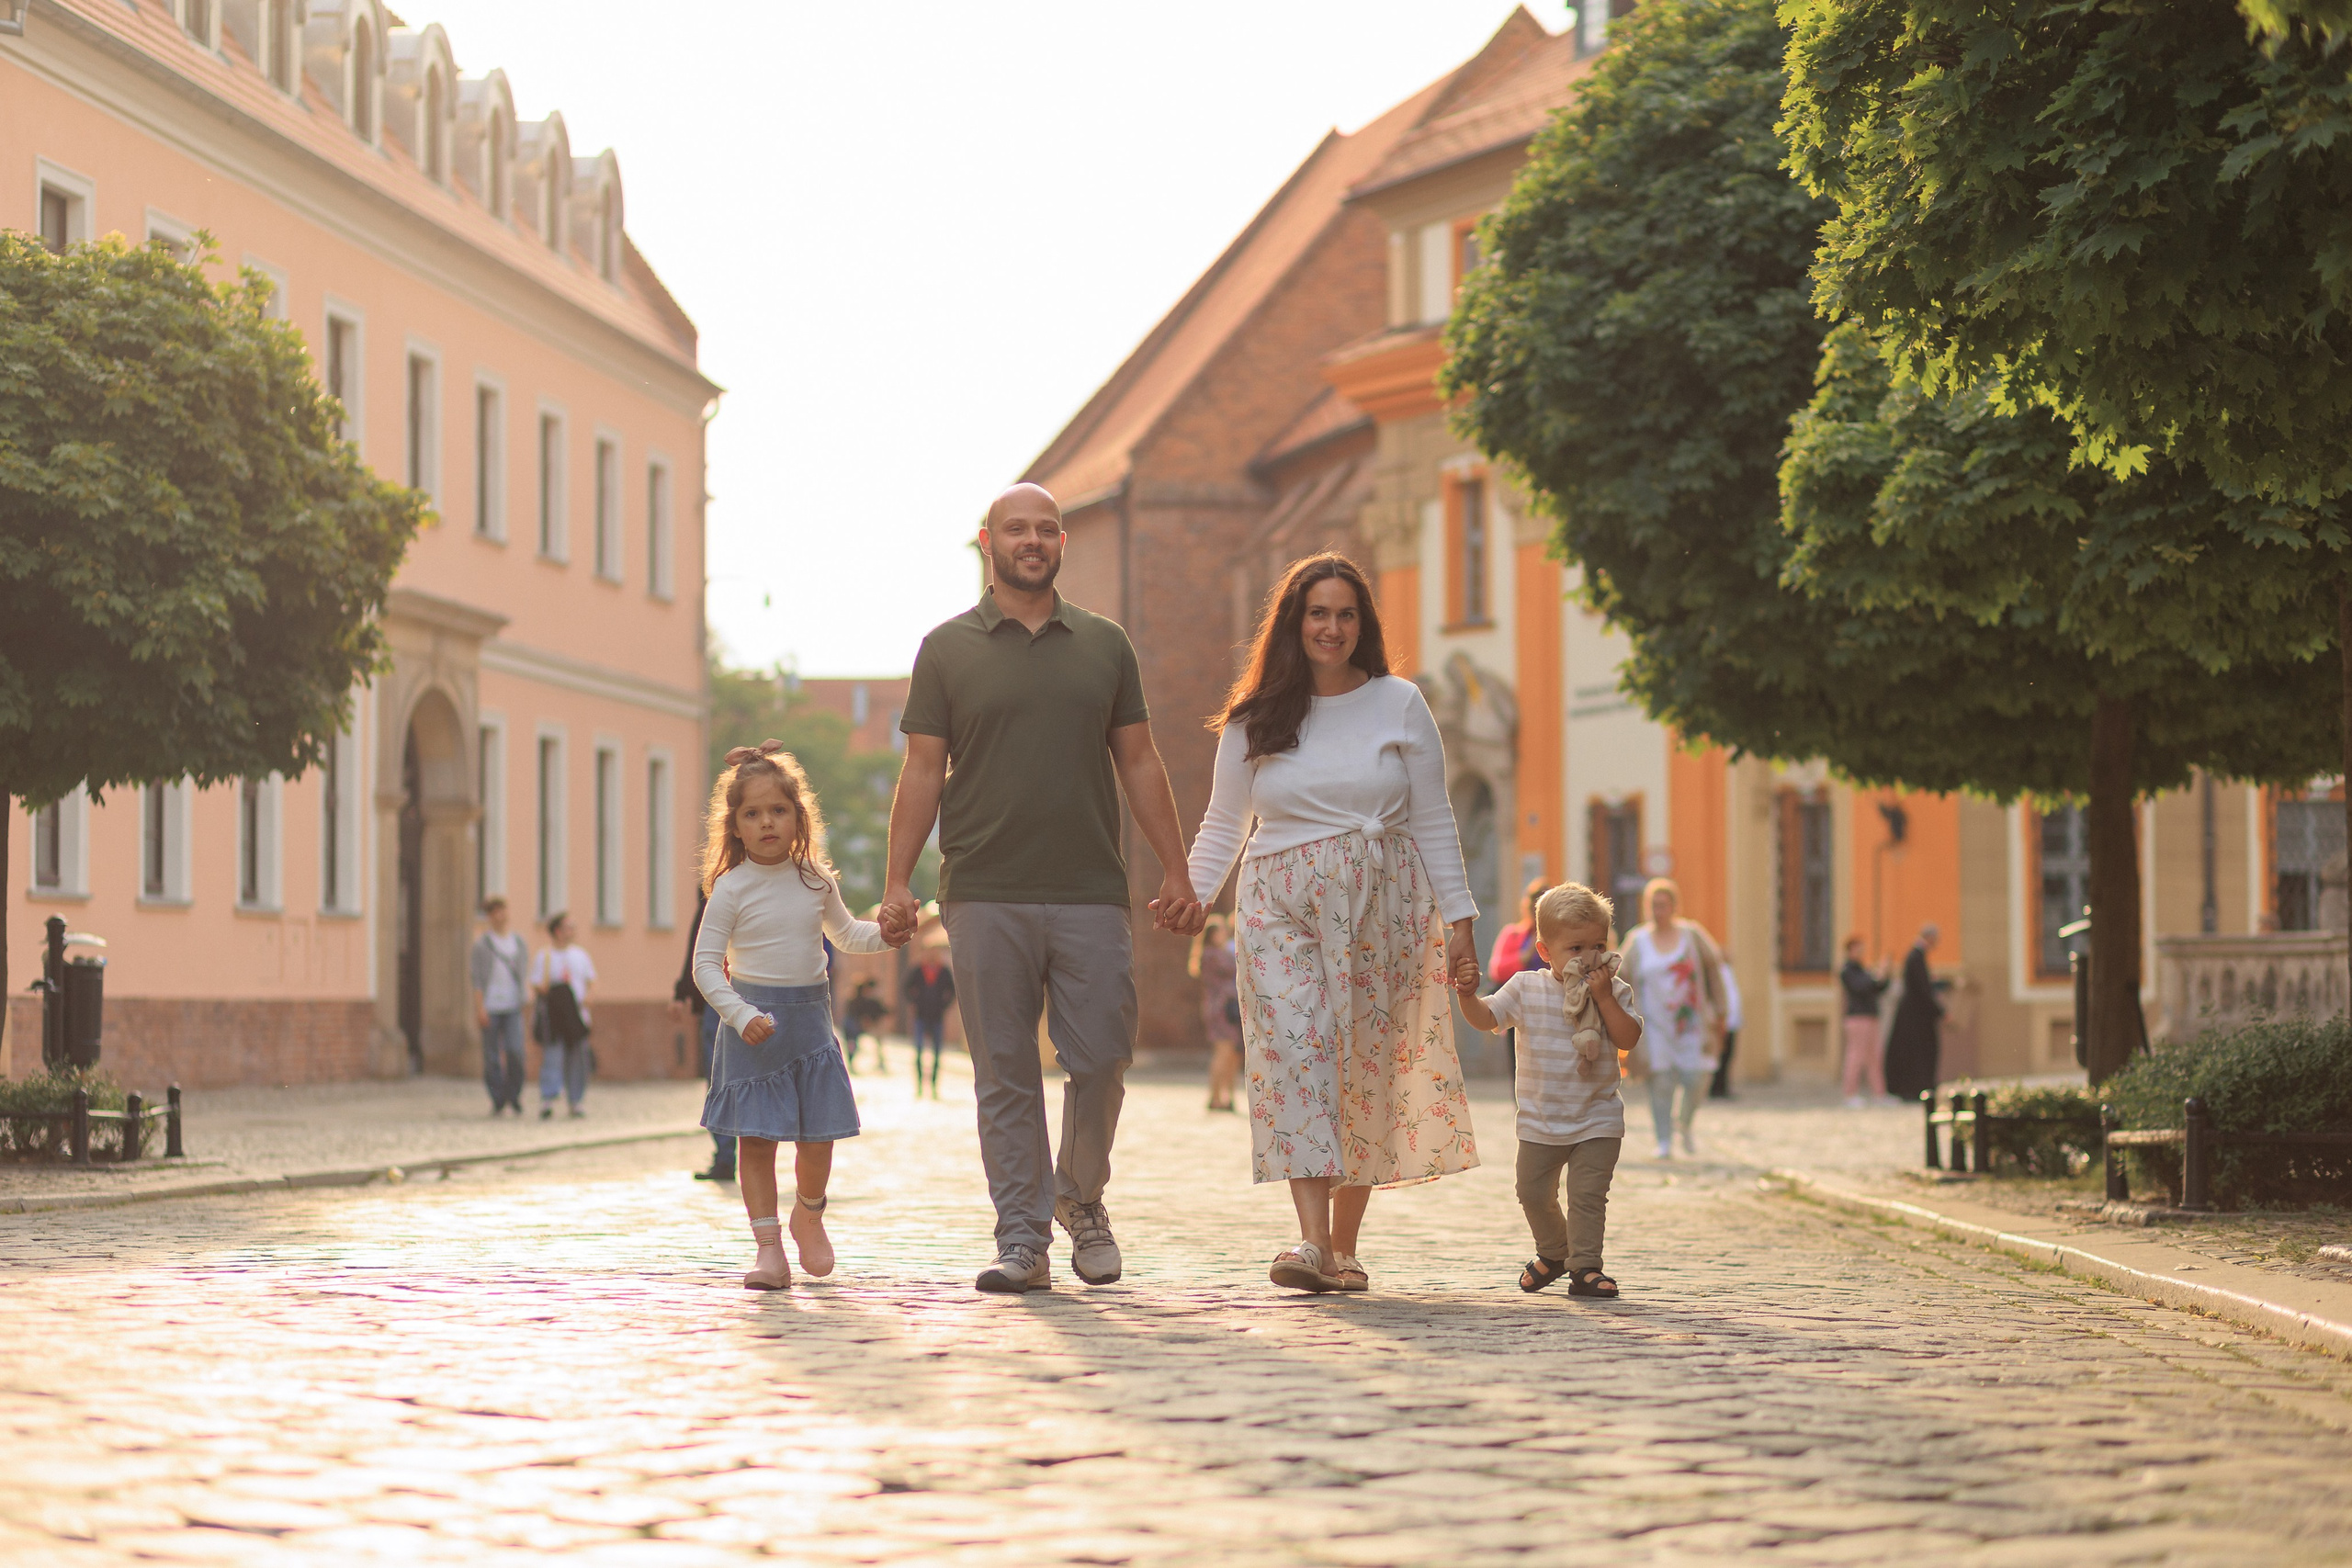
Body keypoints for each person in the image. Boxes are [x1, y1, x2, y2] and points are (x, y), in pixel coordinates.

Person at [877, 482, 1203, 1295]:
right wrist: (897, 881)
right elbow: (922, 770)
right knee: (1005, 1071)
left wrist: (1176, 867)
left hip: (1092, 887)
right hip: (983, 890)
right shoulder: (946, 648)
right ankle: (1021, 1236)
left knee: (1102, 1058)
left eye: (1047, 529)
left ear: (1062, 542)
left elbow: (1138, 758)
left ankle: (1079, 1196)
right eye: (1017, 529)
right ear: (987, 539)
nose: (1033, 540)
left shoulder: (1104, 644)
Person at [1187, 552, 1481, 1296]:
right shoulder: (1257, 715)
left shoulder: (1399, 702)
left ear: (1363, 623)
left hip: (1385, 903)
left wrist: (1462, 919)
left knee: (1364, 1065)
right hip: (1277, 901)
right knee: (1300, 1052)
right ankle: (1311, 1241)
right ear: (1293, 622)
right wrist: (1190, 894)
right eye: (1318, 612)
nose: (1332, 627)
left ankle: (1343, 1246)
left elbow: (1435, 818)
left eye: (1346, 613)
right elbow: (1226, 821)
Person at [695, 740, 884, 1291]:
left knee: (817, 1138)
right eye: (752, 814)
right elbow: (706, 966)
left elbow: (847, 935)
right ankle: (769, 1249)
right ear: (735, 826)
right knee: (754, 1142)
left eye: (777, 810)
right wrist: (737, 1012)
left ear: (798, 816)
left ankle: (809, 1212)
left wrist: (890, 934)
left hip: (809, 1026)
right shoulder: (729, 888)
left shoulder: (815, 880)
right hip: (752, 1031)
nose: (766, 822)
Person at [1455, 883, 1642, 1299]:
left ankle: (1586, 1267)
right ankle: (1556, 1251)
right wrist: (1467, 995)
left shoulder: (1615, 989)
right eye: (1575, 949)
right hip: (1541, 1119)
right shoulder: (1526, 987)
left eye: (1598, 945)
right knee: (1532, 1192)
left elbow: (1628, 1037)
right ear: (1545, 951)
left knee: (1587, 1195)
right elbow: (1486, 1018)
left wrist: (1606, 999)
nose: (1589, 958)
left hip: (1598, 1117)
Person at [1617, 877, 1725, 1160]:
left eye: (1663, 904)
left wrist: (1721, 1008)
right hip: (1654, 1025)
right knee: (1661, 1082)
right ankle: (1663, 1139)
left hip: (1691, 1023)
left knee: (1696, 1077)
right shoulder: (1638, 940)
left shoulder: (1691, 934)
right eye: (1653, 904)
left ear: (1674, 906)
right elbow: (1620, 974)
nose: (1658, 910)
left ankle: (1685, 1123)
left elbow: (1713, 969)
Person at [670, 889, 735, 1182]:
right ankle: (725, 1156)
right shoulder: (715, 889)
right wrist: (683, 990)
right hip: (717, 998)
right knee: (718, 1080)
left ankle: (744, 1156)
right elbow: (699, 943)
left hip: (756, 994)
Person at [530, 913, 596, 1120]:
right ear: (557, 931)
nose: (572, 931)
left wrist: (588, 998)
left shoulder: (580, 955)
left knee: (577, 1058)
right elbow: (536, 984)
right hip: (554, 1016)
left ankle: (576, 1101)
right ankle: (548, 1098)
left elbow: (591, 981)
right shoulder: (545, 956)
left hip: (576, 1015)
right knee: (553, 1056)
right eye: (568, 927)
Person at [469, 897, 530, 1116]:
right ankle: (497, 1098)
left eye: (502, 910)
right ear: (489, 916)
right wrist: (480, 1008)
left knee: (515, 1051)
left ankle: (514, 1094)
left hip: (513, 1005)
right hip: (491, 1005)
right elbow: (476, 979)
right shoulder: (482, 945)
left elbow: (523, 974)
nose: (499, 915)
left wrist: (525, 998)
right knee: (492, 1056)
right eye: (494, 912)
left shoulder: (519, 943)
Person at [1488, 877, 1552, 1080]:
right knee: (1520, 1068)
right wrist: (1524, 955)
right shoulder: (1513, 934)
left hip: (1551, 1009)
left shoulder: (1559, 936)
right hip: (1519, 1011)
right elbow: (1497, 970)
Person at [1883, 923, 1946, 1103]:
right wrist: (1940, 1011)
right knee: (1918, 1054)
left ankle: (1918, 1089)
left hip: (1915, 1015)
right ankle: (1916, 1089)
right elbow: (1922, 990)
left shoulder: (1917, 956)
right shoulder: (1916, 957)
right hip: (1915, 1017)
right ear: (1929, 938)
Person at [1190, 913, 1241, 1112]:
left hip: (1225, 1007)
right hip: (1221, 1008)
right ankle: (1216, 1096)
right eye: (1220, 931)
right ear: (1212, 935)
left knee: (1229, 1052)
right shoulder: (1213, 955)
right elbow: (1236, 966)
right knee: (1223, 1050)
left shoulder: (1215, 954)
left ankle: (1224, 1095)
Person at [1838, 935, 1894, 1107]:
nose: (1861, 952)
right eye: (1858, 948)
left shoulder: (1862, 969)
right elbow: (1862, 987)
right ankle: (1850, 1094)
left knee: (1874, 1057)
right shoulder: (1847, 970)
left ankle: (1879, 1093)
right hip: (1857, 1018)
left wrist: (1885, 974)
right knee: (1855, 1056)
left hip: (1870, 1017)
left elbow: (1877, 988)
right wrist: (1876, 975)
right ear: (1850, 950)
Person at [902, 945, 956, 1099]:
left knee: (937, 1054)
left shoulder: (944, 971)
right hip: (921, 1016)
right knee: (919, 1052)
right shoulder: (918, 970)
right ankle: (919, 1085)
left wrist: (944, 1006)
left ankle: (933, 1086)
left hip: (937, 1017)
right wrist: (914, 1002)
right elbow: (905, 987)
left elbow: (952, 991)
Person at [1707, 947, 1745, 1100]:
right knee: (1720, 1056)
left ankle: (1724, 1086)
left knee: (1729, 1055)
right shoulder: (1717, 972)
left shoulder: (1728, 971)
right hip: (1723, 1021)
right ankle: (1716, 1088)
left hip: (1733, 1022)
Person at [841, 979, 889, 1075]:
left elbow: (878, 1009)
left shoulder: (862, 999)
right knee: (853, 1045)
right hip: (852, 1025)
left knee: (853, 1046)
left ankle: (851, 1064)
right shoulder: (859, 1000)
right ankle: (850, 1064)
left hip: (853, 1026)